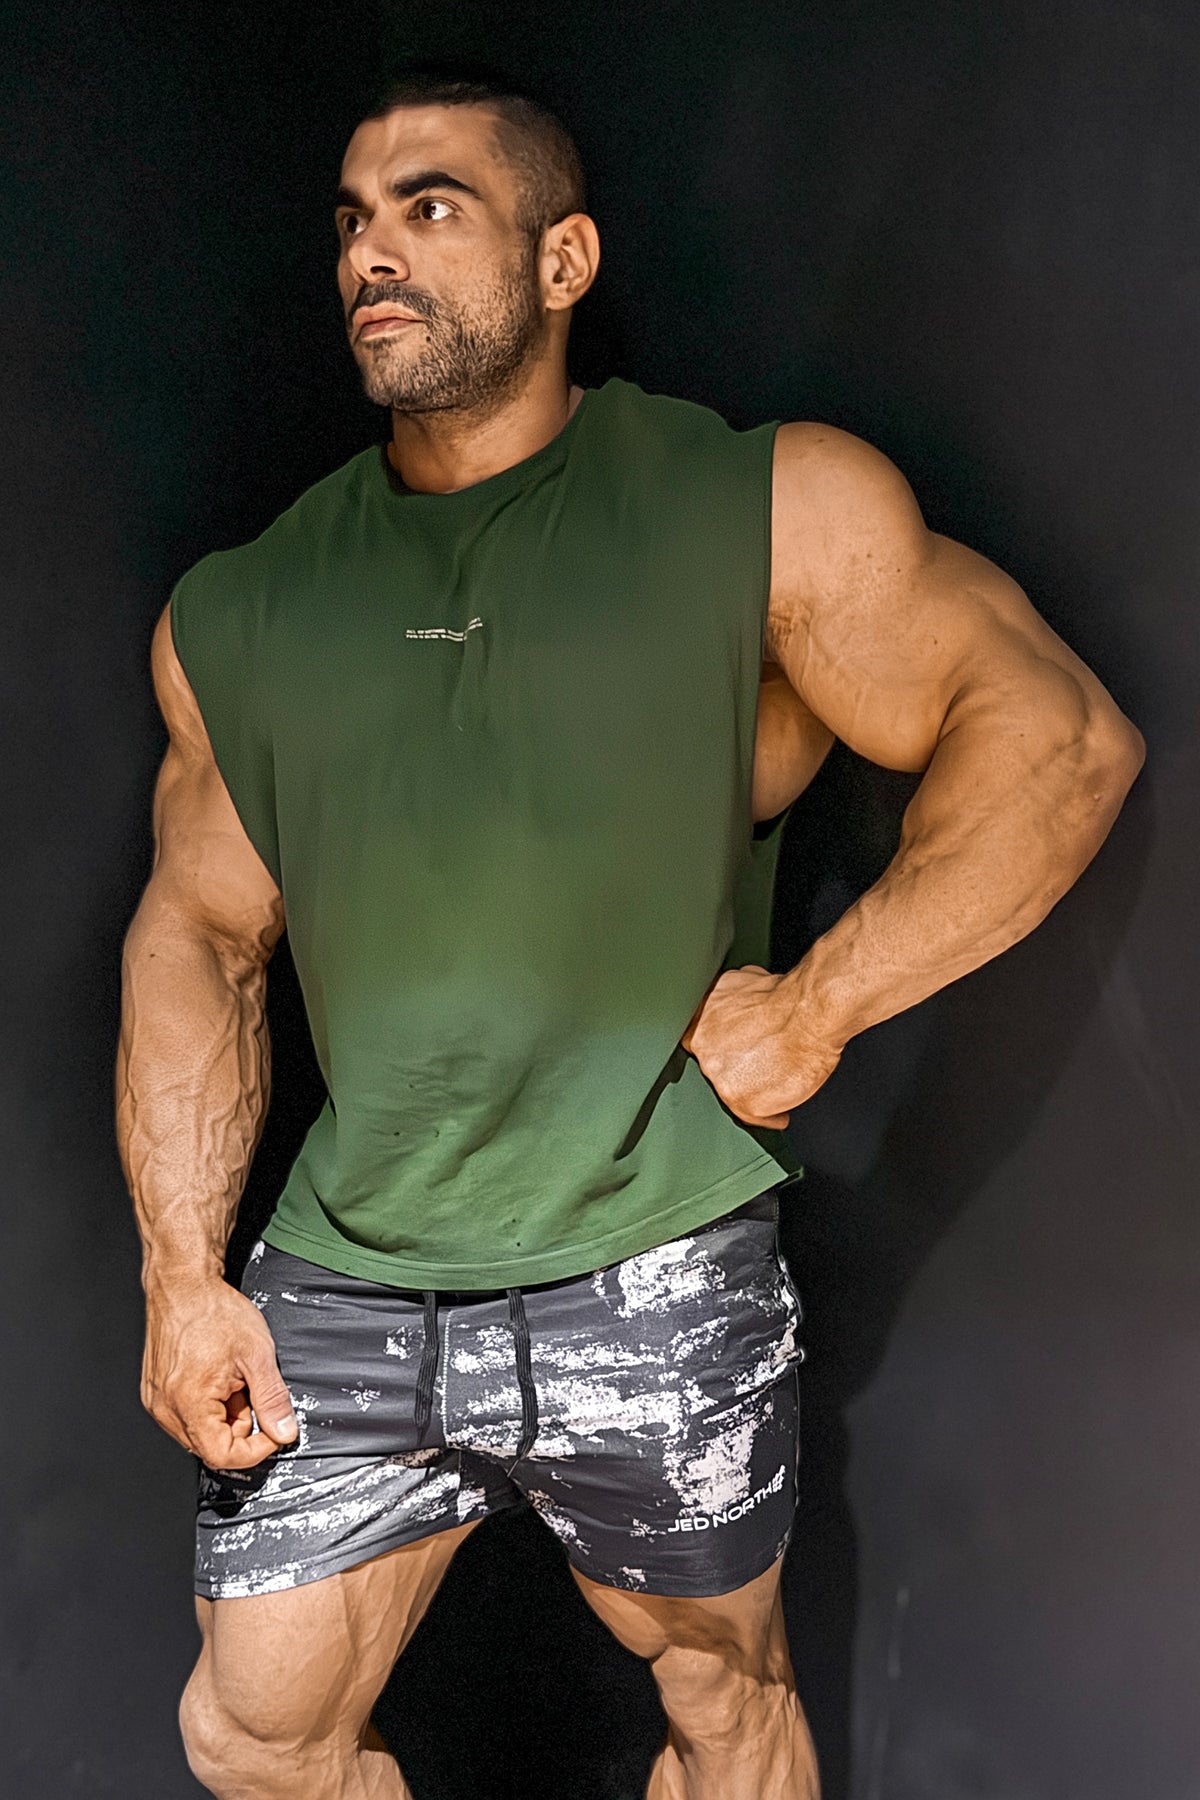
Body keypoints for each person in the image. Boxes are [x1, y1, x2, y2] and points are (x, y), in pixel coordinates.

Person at [115, 67, 1144, 1800]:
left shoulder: (755, 510)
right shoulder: (248, 606)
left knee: (725, 1707)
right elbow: (198, 940)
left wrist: (821, 1003)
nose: (371, 253)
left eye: (430, 207)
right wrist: (180, 1279)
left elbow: (1059, 740)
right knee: (253, 1737)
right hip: (352, 1274)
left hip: (646, 1256)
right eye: (353, 220)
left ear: (563, 258)